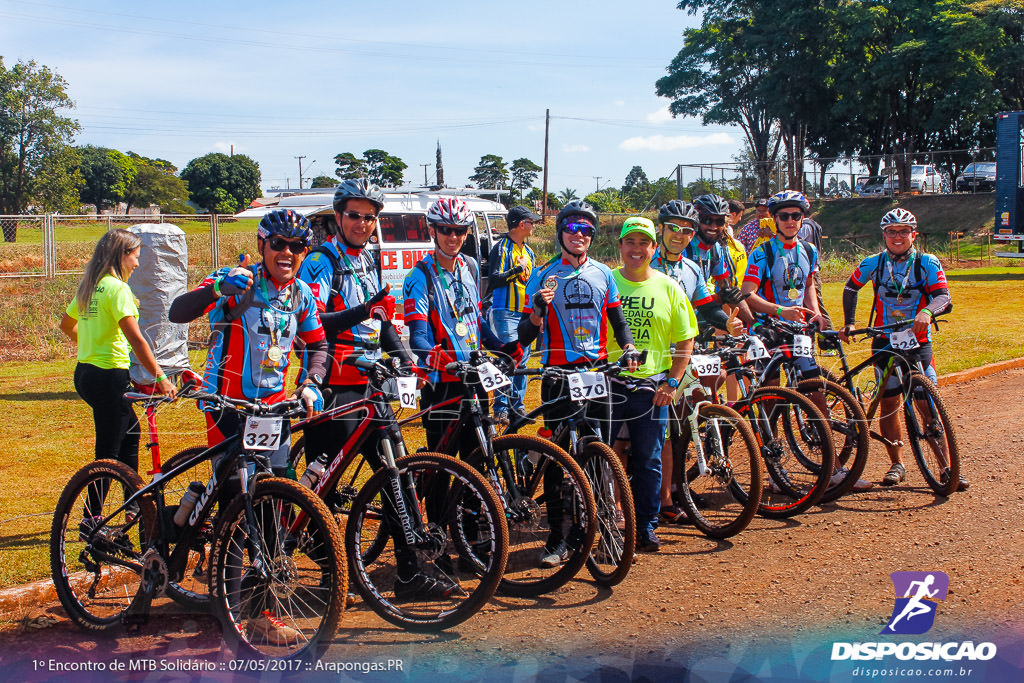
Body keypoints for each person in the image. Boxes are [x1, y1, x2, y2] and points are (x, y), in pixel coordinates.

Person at [519, 200, 639, 564]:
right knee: (558, 461)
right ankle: (557, 538)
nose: (580, 235)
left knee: (599, 456)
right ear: (561, 233)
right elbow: (524, 334)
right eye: (572, 227)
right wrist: (539, 309)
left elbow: (618, 321)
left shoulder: (604, 273)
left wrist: (630, 345)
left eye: (587, 229)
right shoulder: (543, 275)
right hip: (557, 375)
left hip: (597, 373)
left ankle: (601, 533)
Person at [168, 209, 327, 473]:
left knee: (275, 494)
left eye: (297, 245)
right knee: (235, 493)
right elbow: (177, 313)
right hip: (226, 407)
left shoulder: (302, 294)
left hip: (274, 408)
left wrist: (312, 381)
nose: (287, 252)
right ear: (261, 245)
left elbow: (318, 344)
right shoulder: (235, 279)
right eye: (278, 243)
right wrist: (218, 289)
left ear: (305, 252)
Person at [741, 190, 872, 492]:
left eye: (795, 216)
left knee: (816, 395)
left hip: (798, 331)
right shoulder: (763, 253)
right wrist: (780, 310)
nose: (790, 221)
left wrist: (815, 313)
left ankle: (834, 470)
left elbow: (809, 284)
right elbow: (748, 293)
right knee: (771, 400)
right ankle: (773, 472)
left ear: (803, 219)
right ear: (774, 219)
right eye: (783, 216)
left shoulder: (809, 250)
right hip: (769, 331)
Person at [295, 180, 412, 501]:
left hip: (370, 381)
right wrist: (364, 310)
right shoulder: (320, 262)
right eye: (354, 215)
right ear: (338, 215)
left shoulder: (367, 260)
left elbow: (382, 320)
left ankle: (407, 548)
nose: (362, 224)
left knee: (395, 472)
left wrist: (404, 359)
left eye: (369, 217)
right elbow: (311, 325)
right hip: (333, 383)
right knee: (323, 484)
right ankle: (308, 542)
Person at [839, 208, 966, 491]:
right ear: (884, 235)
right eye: (891, 232)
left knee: (927, 403)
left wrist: (927, 312)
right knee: (889, 403)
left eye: (903, 231)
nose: (898, 237)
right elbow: (850, 288)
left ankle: (946, 467)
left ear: (914, 235)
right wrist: (849, 323)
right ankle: (896, 463)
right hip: (884, 340)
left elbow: (943, 297)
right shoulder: (874, 262)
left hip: (917, 340)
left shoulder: (927, 262)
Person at [607, 217, 697, 552]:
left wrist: (672, 382)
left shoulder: (667, 287)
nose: (636, 249)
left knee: (648, 459)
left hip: (653, 386)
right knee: (607, 456)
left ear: (653, 248)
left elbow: (686, 339)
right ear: (620, 246)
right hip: (609, 383)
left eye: (643, 243)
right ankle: (608, 517)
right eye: (630, 242)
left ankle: (646, 525)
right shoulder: (606, 282)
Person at [60, 228, 176, 472]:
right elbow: (137, 340)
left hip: (85, 374)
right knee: (108, 453)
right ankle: (93, 511)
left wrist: (90, 342)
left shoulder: (92, 286)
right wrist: (162, 378)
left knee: (130, 436)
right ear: (121, 255)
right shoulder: (118, 289)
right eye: (135, 256)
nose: (137, 263)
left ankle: (133, 504)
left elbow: (66, 325)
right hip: (109, 375)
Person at [404, 197, 498, 454]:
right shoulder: (419, 277)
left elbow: (475, 321)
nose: (453, 236)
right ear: (432, 230)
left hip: (474, 377)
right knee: (443, 467)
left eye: (459, 230)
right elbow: (418, 338)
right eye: (445, 229)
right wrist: (441, 360)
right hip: (441, 384)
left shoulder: (471, 266)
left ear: (467, 233)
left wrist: (502, 346)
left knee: (478, 457)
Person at [486, 205, 539, 423]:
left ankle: (518, 407)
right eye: (531, 221)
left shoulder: (529, 252)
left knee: (523, 362)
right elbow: (494, 279)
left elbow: (532, 283)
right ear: (520, 224)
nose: (534, 226)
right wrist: (517, 269)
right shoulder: (501, 248)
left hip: (524, 313)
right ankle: (501, 408)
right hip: (504, 311)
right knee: (509, 359)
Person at [798, 213, 833, 329]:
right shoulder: (814, 224)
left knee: (817, 306)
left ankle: (829, 336)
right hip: (809, 266)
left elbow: (794, 239)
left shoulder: (805, 226)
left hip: (808, 268)